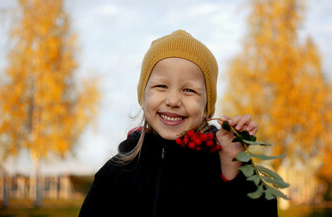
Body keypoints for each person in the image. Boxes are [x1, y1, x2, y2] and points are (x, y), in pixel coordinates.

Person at [79, 30, 278, 216]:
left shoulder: (223, 162)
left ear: (206, 106)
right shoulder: (115, 174)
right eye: (161, 86)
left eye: (189, 90)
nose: (173, 100)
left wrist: (232, 165)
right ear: (143, 96)